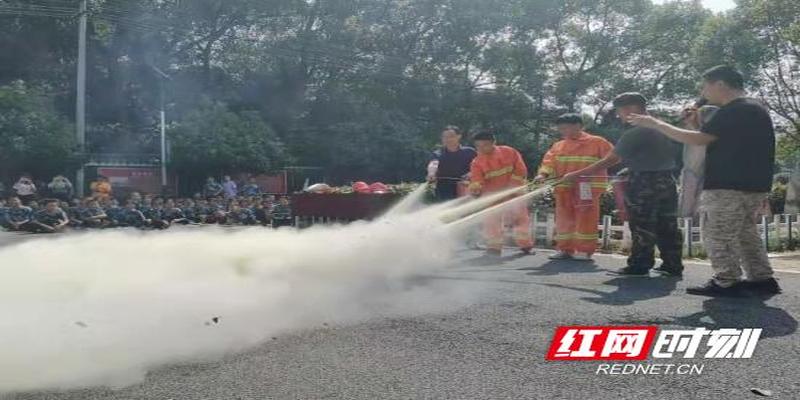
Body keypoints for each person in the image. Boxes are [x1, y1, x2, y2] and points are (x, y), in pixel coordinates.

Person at [626, 65, 780, 296]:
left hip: (727, 184)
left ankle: (726, 280)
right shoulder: (754, 108)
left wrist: (655, 123)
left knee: (717, 232)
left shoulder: (734, 110)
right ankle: (761, 278)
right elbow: (713, 139)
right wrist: (694, 124)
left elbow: (699, 140)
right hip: (753, 183)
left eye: (704, 85)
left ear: (719, 84)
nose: (703, 92)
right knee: (744, 232)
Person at [563, 93, 684, 277]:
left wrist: (577, 174)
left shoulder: (636, 131)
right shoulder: (663, 127)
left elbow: (611, 159)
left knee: (642, 224)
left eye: (619, 111)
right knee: (666, 224)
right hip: (667, 180)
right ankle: (672, 264)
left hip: (645, 183)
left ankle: (639, 266)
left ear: (630, 109)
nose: (619, 116)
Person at [534, 114, 614, 261]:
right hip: (564, 188)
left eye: (565, 128)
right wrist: (542, 175)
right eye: (560, 129)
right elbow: (548, 162)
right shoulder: (558, 145)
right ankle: (564, 249)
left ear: (578, 126)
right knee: (563, 219)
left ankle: (585, 251)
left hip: (587, 189)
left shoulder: (597, 142)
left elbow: (612, 159)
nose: (562, 131)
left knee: (586, 219)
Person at [468, 130, 534, 258]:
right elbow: (477, 179)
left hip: (514, 192)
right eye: (478, 146)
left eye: (485, 145)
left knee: (520, 219)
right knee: (491, 221)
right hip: (492, 196)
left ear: (494, 142)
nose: (481, 149)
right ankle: (494, 248)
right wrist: (476, 187)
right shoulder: (476, 162)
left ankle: (526, 246)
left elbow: (521, 170)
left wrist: (512, 188)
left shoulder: (509, 152)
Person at [427, 126, 477, 201]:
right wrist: (431, 173)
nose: (448, 139)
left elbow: (479, 165)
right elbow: (433, 164)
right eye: (445, 137)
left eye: (451, 136)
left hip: (466, 188)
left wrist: (470, 174)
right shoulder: (438, 153)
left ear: (459, 136)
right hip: (444, 191)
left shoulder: (470, 152)